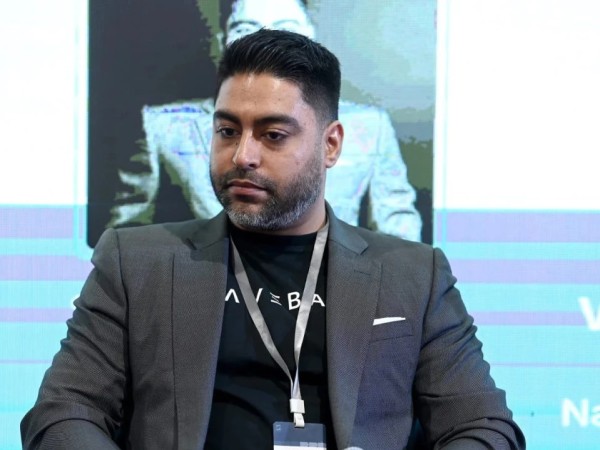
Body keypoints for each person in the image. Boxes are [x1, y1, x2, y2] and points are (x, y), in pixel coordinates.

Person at [22, 30, 525, 449]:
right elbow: (64, 412)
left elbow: (484, 427)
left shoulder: (413, 274)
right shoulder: (136, 263)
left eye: (273, 135)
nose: (243, 155)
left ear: (331, 145)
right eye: (227, 131)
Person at [110, 0, 423, 242]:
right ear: (221, 41)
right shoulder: (163, 128)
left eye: (286, 27)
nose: (268, 42)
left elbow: (400, 238)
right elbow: (125, 239)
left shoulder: (370, 127)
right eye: (246, 27)